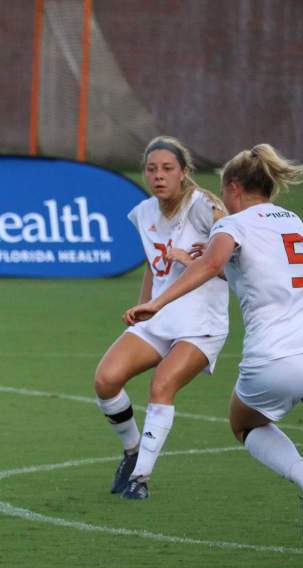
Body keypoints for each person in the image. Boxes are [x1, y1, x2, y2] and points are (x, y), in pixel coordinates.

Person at [124, 143, 303, 568]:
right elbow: (238, 266)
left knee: (244, 423)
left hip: (276, 353)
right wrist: (210, 263)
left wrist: (157, 302)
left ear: (233, 188)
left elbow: (218, 259)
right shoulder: (292, 220)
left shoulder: (232, 223)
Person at [94, 136, 229, 500]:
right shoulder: (144, 213)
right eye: (152, 169)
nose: (158, 175)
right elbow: (155, 268)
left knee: (162, 385)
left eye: (168, 168)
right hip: (159, 318)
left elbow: (237, 265)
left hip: (202, 324)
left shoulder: (205, 207)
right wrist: (142, 310)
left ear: (184, 173)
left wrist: (195, 261)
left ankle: (140, 478)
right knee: (106, 380)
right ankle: (132, 449)